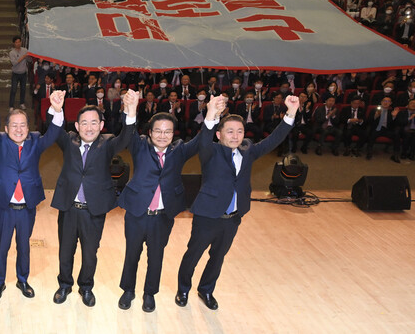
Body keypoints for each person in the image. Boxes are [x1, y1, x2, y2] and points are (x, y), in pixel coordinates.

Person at [175, 94, 298, 311]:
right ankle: (183, 289)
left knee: (218, 256)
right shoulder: (209, 150)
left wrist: (290, 113)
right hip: (207, 216)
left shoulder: (248, 150)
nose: (235, 135)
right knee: (193, 254)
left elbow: (273, 140)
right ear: (219, 134)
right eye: (230, 131)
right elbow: (204, 138)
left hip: (232, 218)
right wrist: (211, 114)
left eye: (239, 131)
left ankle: (206, 289)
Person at [119, 94, 220, 312]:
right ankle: (128, 291)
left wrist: (211, 114)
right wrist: (131, 110)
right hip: (137, 213)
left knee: (156, 257)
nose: (162, 135)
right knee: (132, 255)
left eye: (167, 131)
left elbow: (202, 140)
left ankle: (149, 293)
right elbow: (128, 132)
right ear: (150, 132)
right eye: (158, 130)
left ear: (173, 134)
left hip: (162, 216)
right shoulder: (139, 146)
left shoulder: (180, 150)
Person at [52, 91, 137, 308]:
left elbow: (126, 137)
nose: (88, 127)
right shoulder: (68, 140)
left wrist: (131, 110)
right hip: (69, 209)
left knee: (90, 253)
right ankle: (64, 284)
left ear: (101, 125)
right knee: (65, 251)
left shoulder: (107, 144)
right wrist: (57, 109)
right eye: (84, 123)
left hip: (94, 210)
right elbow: (54, 129)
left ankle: (86, 286)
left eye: (93, 123)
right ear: (77, 126)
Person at [0, 90, 65, 301]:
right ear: (6, 128)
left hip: (26, 208)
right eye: (14, 125)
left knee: (24, 246)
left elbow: (54, 132)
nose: (19, 129)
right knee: (2, 246)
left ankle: (22, 279)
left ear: (29, 128)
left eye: (23, 125)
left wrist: (56, 110)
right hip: (4, 207)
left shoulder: (36, 141)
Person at [9, 36, 29, 109]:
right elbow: (14, 63)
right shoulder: (12, 53)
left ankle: (22, 103)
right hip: (15, 73)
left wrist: (28, 57)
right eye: (16, 42)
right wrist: (23, 57)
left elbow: (29, 60)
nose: (18, 44)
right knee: (13, 89)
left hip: (23, 73)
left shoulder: (25, 50)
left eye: (19, 42)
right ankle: (11, 105)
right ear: (14, 43)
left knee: (23, 89)